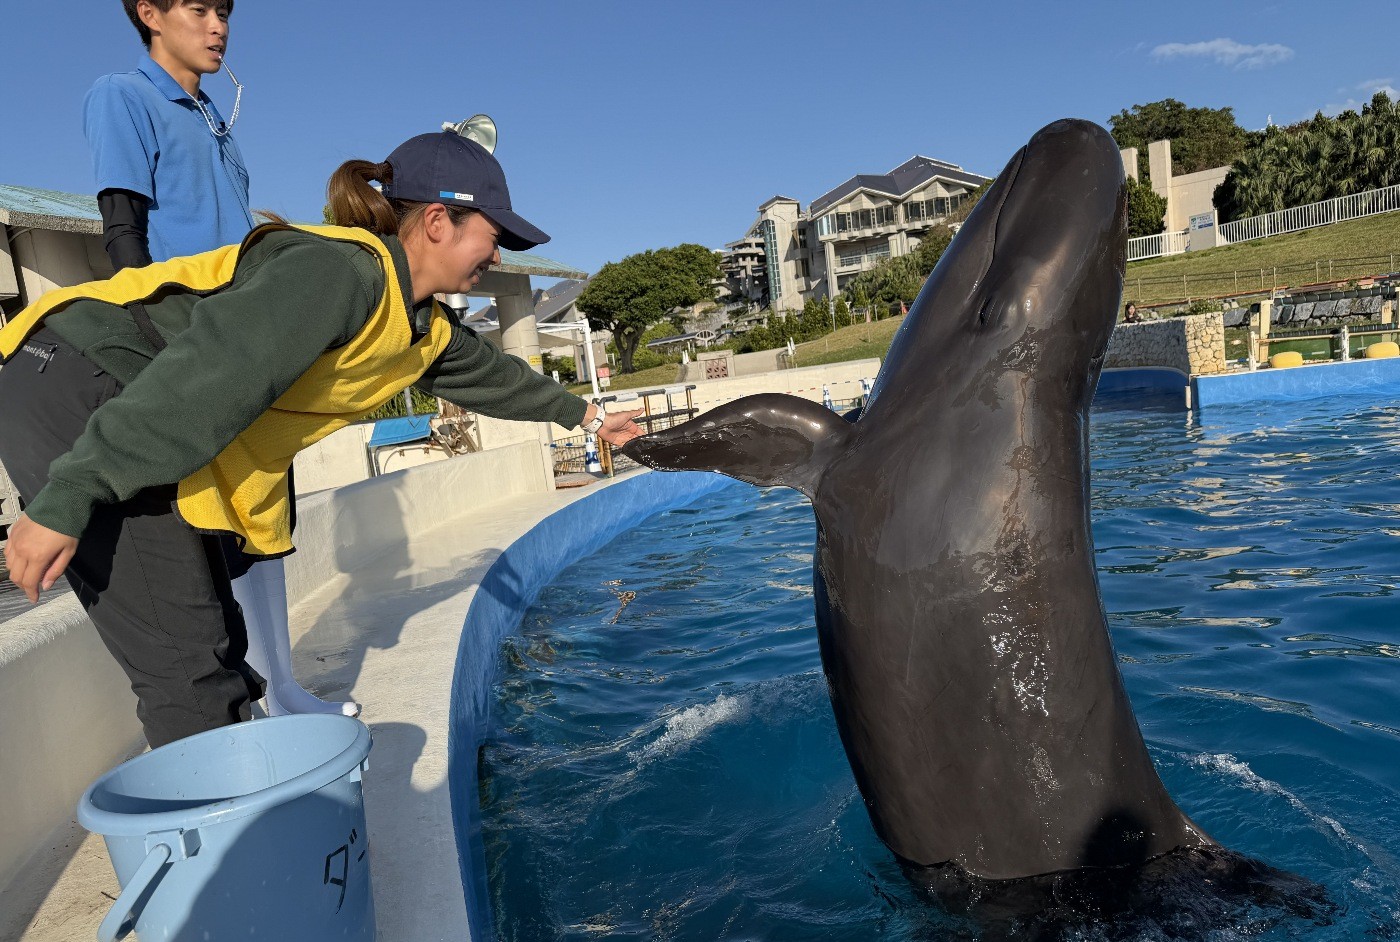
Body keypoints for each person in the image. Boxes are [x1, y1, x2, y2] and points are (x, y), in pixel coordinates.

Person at [0, 130, 643, 747]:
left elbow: (494, 376)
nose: (499, 257)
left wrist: (587, 419)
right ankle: (234, 847)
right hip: (78, 377)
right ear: (439, 222)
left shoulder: (414, 321)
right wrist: (68, 497)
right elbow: (197, 387)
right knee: (187, 664)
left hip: (123, 397)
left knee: (218, 638)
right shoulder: (333, 273)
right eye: (494, 235)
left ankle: (241, 806)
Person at [87, 0, 357, 717]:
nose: (220, 27)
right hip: (193, 338)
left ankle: (285, 687)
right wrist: (154, 351)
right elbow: (123, 232)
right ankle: (265, 696)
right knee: (216, 522)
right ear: (149, 12)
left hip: (253, 332)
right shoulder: (126, 95)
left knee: (262, 508)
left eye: (225, 12)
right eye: (201, 9)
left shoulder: (215, 119)